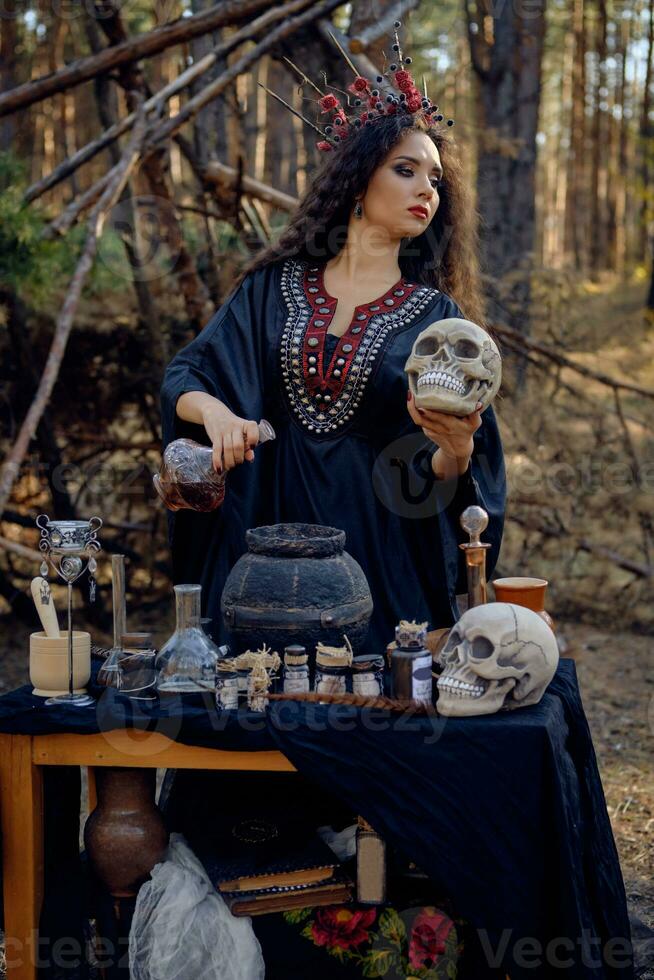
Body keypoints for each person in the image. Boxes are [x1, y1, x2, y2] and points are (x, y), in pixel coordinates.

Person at [160, 106, 506, 657]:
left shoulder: (437, 320)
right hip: (268, 541)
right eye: (406, 170)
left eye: (436, 179)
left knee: (371, 700)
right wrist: (219, 416)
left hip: (379, 555)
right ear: (357, 180)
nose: (427, 190)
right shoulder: (270, 289)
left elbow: (435, 472)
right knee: (260, 696)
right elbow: (188, 374)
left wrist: (458, 451)